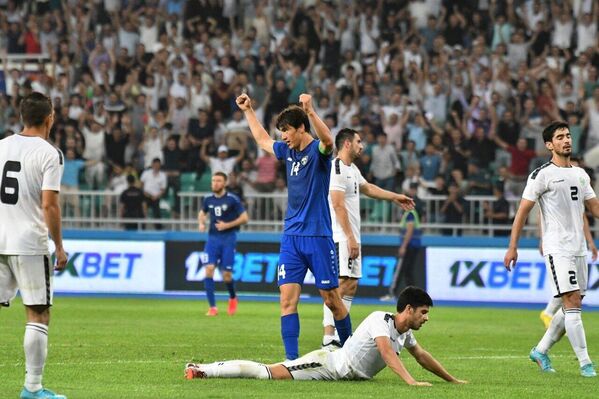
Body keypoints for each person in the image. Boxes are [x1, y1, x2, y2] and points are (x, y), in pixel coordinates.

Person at [236, 92, 351, 361]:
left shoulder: (318, 153)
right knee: (287, 300)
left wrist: (310, 111)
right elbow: (263, 140)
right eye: (282, 131)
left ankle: (350, 354)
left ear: (301, 128)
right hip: (291, 237)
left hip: (318, 236)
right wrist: (249, 110)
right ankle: (291, 361)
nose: (283, 136)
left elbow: (328, 140)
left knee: (332, 300)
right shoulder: (288, 151)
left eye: (286, 130)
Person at [185, 287, 467, 386]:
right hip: (329, 365)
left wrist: (452, 380)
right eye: (424, 312)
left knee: (268, 374)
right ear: (408, 309)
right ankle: (203, 370)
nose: (426, 318)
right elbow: (385, 354)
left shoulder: (403, 332)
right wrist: (411, 382)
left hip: (347, 373)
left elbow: (422, 357)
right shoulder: (380, 320)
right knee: (268, 374)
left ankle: (204, 370)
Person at [504, 121, 598, 378]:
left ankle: (541, 350)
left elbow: (595, 209)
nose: (566, 140)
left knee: (573, 304)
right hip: (557, 248)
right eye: (560, 137)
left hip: (578, 248)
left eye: (568, 136)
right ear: (549, 145)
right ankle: (586, 364)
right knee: (571, 303)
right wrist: (513, 247)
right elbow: (522, 212)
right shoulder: (541, 175)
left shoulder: (580, 174)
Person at [0, 92, 68, 399]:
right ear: (49, 117)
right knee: (38, 314)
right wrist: (60, 247)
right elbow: (49, 206)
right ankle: (33, 388)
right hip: (29, 243)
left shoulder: (1, 146)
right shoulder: (49, 153)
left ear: (22, 116)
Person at [322, 128, 415, 348]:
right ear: (347, 144)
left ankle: (338, 335)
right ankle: (329, 335)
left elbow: (368, 188)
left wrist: (395, 197)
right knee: (340, 285)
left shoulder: (351, 169)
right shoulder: (336, 168)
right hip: (341, 235)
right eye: (358, 141)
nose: (362, 146)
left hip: (351, 235)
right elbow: (337, 205)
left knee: (351, 284)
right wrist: (350, 237)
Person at [198, 172, 249, 316]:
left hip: (228, 239)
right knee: (209, 269)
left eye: (218, 181)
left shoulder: (233, 199)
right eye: (213, 180)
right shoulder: (208, 199)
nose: (215, 183)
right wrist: (201, 223)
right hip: (212, 239)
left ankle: (233, 297)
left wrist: (228, 225)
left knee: (226, 275)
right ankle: (213, 307)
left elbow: (245, 218)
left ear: (225, 183)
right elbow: (202, 213)